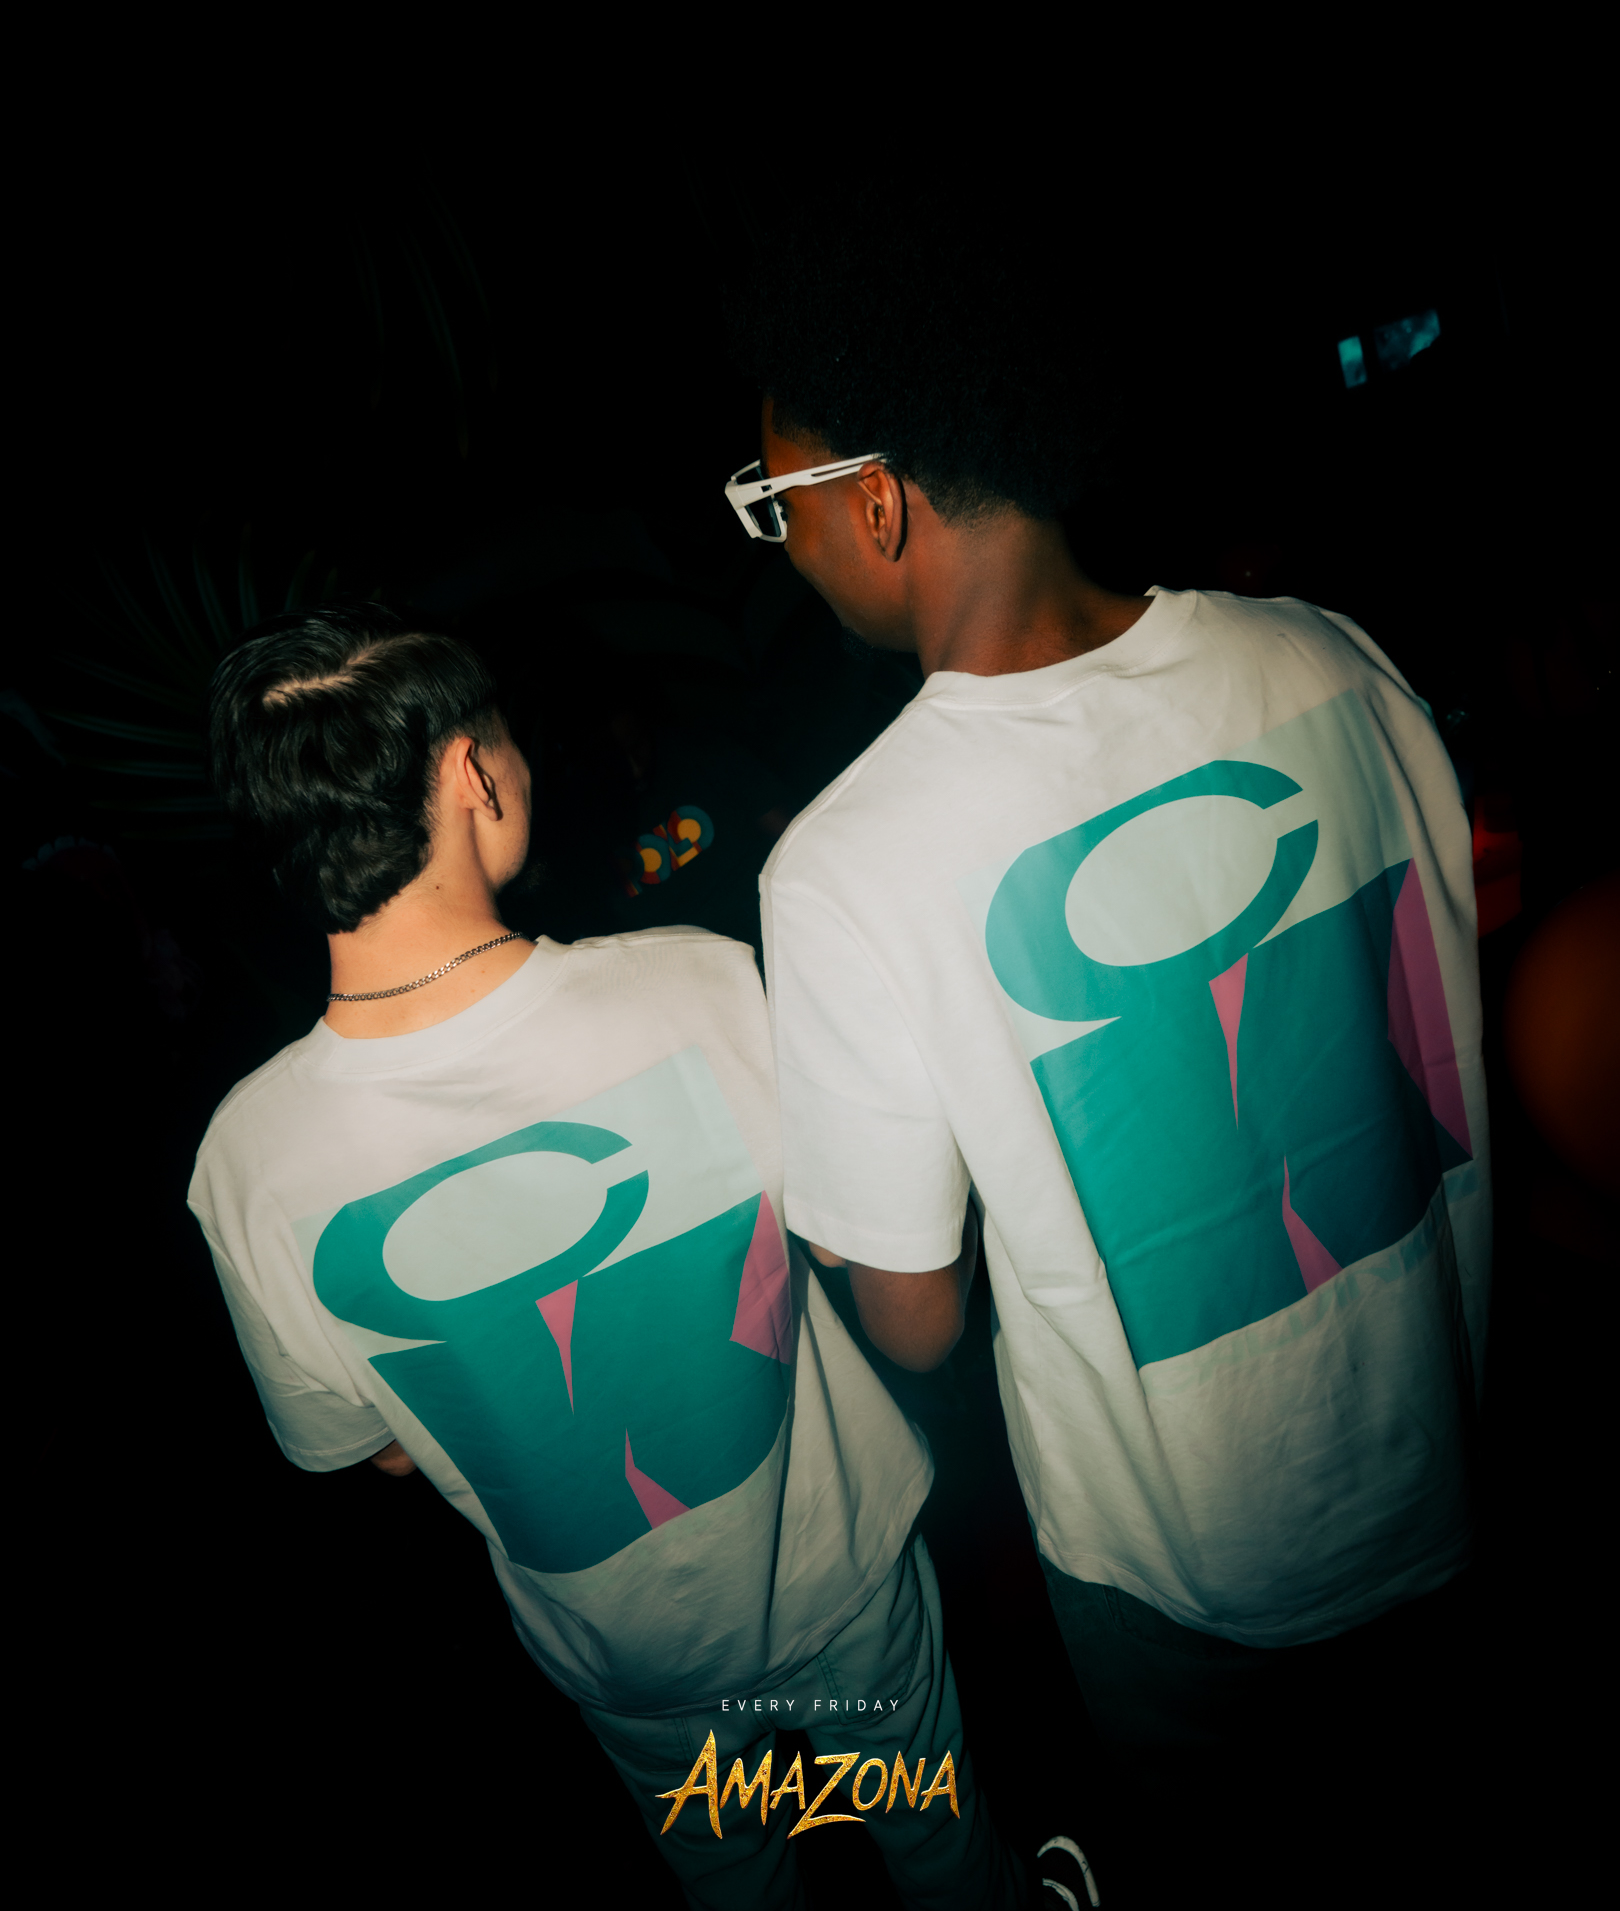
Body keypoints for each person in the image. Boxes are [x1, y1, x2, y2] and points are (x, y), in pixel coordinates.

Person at [729, 197, 1490, 1904]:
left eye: (776, 501)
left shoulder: (845, 868)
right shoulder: (1331, 657)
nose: (780, 542)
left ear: (878, 502)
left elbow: (916, 1318)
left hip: (1186, 1580)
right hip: (1442, 1459)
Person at [189, 606, 1029, 1911]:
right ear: (472, 775)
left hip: (633, 1668)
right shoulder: (703, 986)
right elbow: (844, 1235)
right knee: (934, 1840)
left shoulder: (249, 1160)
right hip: (836, 1585)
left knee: (738, 1881)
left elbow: (381, 1449)